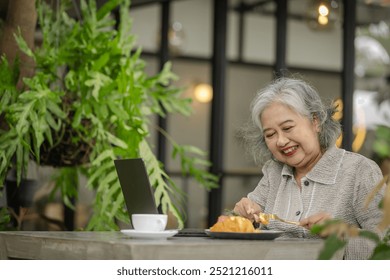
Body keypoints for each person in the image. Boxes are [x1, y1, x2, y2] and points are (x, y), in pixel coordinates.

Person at [234, 77, 384, 260]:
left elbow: (384, 247)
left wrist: (340, 235)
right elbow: (245, 227)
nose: (280, 141)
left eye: (288, 128)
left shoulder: (359, 171)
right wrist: (243, 216)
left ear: (316, 122)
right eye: (270, 134)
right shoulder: (273, 172)